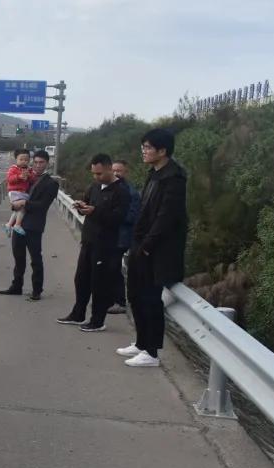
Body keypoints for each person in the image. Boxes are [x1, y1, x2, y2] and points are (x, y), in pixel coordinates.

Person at [118, 128, 188, 368]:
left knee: (150, 299)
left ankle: (152, 352)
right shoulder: (154, 174)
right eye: (143, 147)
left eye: (148, 148)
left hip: (157, 251)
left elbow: (165, 218)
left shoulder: (174, 179)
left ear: (162, 150)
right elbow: (144, 211)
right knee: (135, 296)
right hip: (141, 246)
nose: (144, 151)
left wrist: (147, 246)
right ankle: (140, 343)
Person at [56, 154, 131, 331]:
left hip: (106, 244)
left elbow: (119, 218)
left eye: (99, 173)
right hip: (88, 240)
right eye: (94, 174)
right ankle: (78, 313)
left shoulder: (122, 191)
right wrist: (81, 207)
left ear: (108, 168)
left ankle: (98, 320)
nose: (96, 177)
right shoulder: (94, 187)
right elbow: (88, 206)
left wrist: (95, 211)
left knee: (99, 283)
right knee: (81, 279)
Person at [0, 150, 58, 301]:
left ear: (47, 163)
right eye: (36, 162)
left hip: (34, 226)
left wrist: (24, 203)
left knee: (35, 259)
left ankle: (37, 290)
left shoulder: (51, 183)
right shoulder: (27, 176)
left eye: (41, 163)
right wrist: (15, 204)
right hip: (19, 223)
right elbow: (14, 191)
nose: (38, 166)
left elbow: (43, 205)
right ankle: (16, 286)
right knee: (18, 258)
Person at [107, 159, 141, 315]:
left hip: (121, 237)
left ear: (126, 172)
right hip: (108, 235)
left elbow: (131, 217)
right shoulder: (108, 188)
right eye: (113, 170)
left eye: (119, 171)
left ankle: (120, 302)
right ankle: (109, 299)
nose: (115, 173)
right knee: (106, 267)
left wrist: (111, 215)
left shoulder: (131, 192)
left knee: (114, 267)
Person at [3, 151, 35, 236]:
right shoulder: (13, 169)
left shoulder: (29, 170)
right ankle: (17, 225)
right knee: (23, 207)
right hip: (15, 192)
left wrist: (29, 176)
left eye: (26, 160)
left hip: (22, 193)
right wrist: (19, 176)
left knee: (17, 210)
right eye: (21, 159)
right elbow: (9, 179)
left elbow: (33, 181)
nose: (24, 161)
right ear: (16, 159)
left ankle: (9, 224)